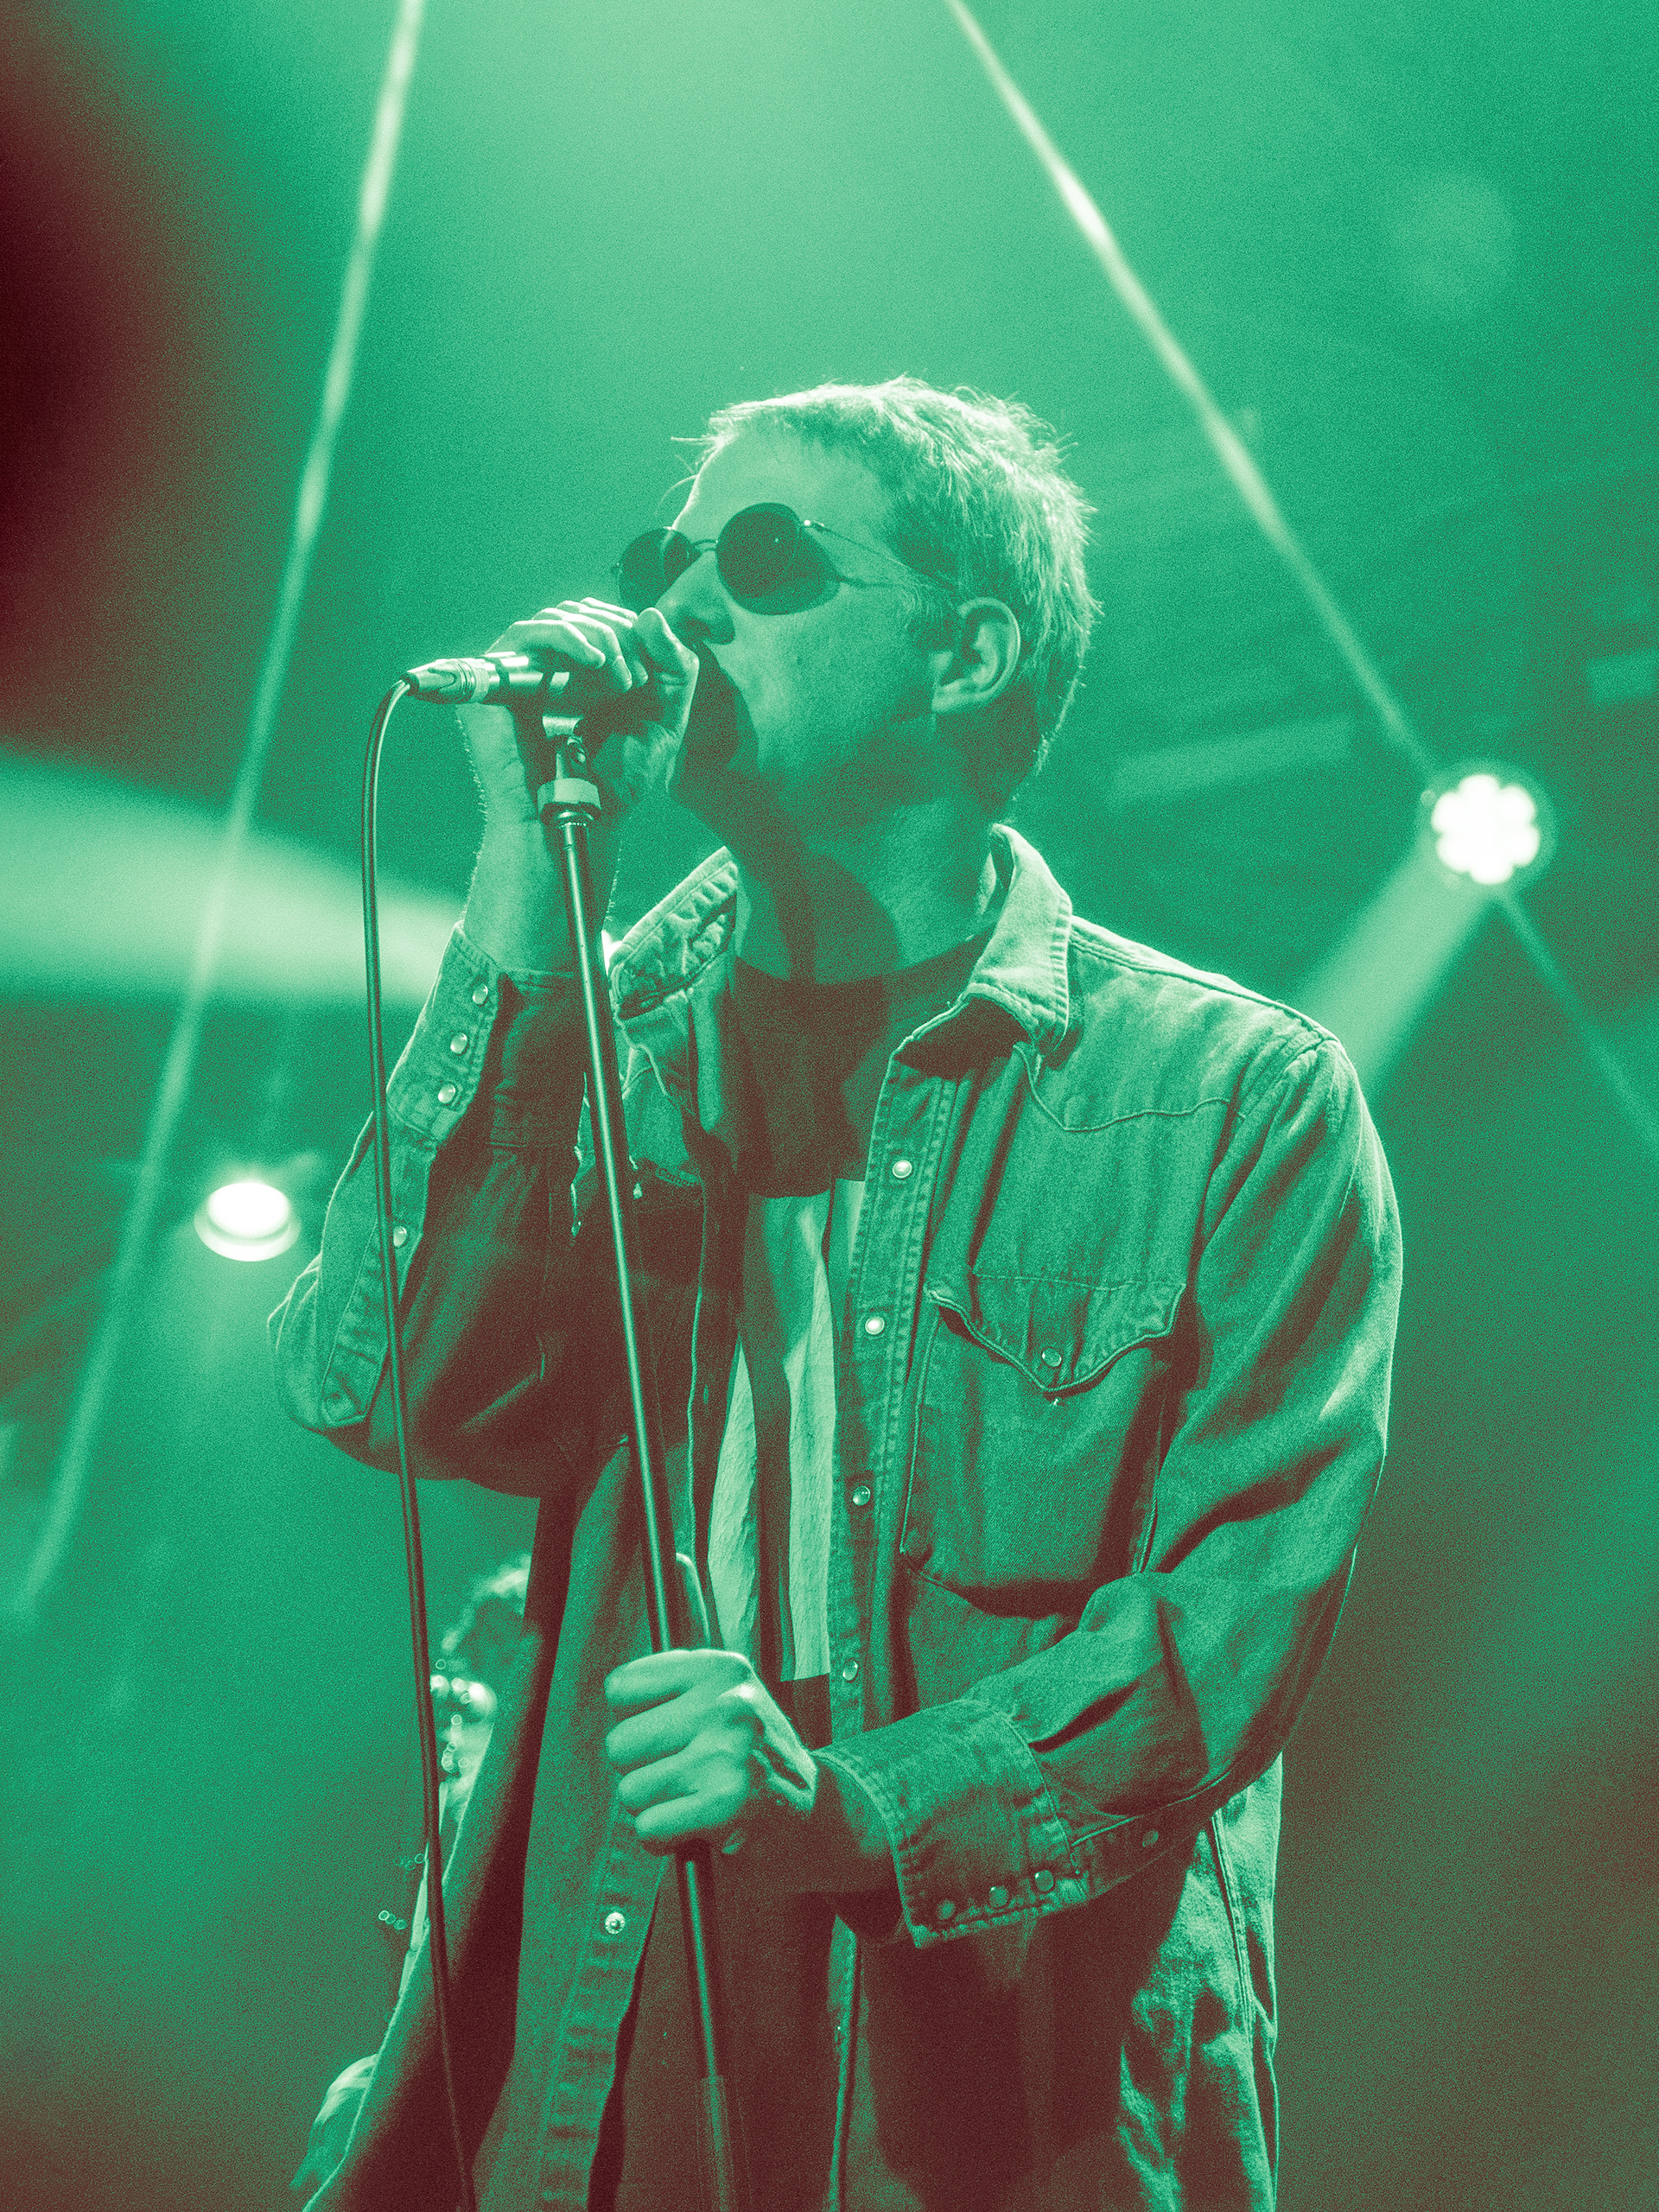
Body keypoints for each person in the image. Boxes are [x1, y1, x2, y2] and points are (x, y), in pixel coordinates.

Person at [271, 377, 1402, 2210]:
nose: (678, 604)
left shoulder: (1229, 1097)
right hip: (614, 1990)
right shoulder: (605, 1040)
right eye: (664, 557)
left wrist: (851, 1807)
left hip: (998, 2037)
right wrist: (526, 877)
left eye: (768, 557)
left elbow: (1223, 1631)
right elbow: (384, 1381)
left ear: (968, 652)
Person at [290, 1556, 531, 2202]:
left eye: (508, 1659)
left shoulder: (529, 1811)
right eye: (482, 1655)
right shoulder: (440, 1806)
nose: (475, 1685)